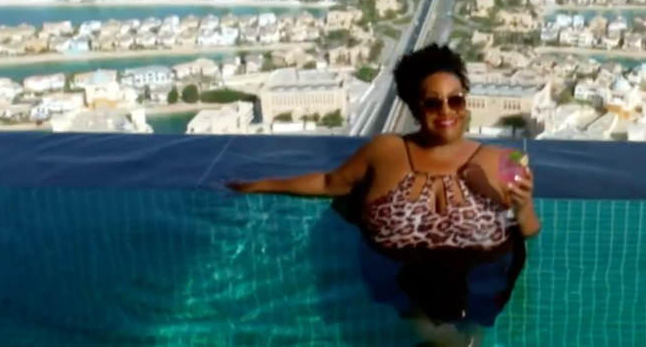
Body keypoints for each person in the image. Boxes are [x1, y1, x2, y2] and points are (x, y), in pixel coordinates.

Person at [228, 44, 540, 347]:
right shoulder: (386, 152)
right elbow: (328, 182)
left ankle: (461, 339)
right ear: (415, 105)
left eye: (455, 100)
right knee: (434, 329)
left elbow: (529, 231)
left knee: (462, 322)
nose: (446, 111)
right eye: (433, 102)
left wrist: (522, 205)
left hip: (479, 273)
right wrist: (261, 184)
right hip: (402, 276)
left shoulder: (499, 161)